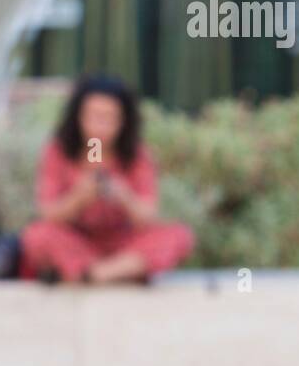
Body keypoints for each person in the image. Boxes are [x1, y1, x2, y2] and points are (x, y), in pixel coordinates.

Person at [19, 73, 194, 285]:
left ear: (123, 121)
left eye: (109, 118)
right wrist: (78, 199)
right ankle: (115, 273)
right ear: (78, 117)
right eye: (94, 117)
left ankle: (95, 274)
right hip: (77, 241)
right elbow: (47, 213)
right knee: (37, 236)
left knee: (178, 236)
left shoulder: (137, 155)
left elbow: (149, 216)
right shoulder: (59, 151)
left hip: (122, 245)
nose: (100, 127)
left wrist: (124, 196)